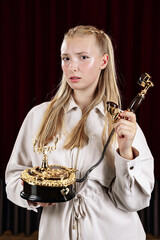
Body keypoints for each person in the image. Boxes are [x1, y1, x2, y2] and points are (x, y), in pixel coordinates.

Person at [5, 25, 154, 240]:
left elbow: (134, 202)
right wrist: (34, 195)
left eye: (83, 57)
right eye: (66, 58)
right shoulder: (38, 117)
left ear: (103, 61)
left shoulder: (124, 125)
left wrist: (125, 151)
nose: (72, 67)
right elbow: (14, 177)